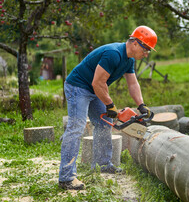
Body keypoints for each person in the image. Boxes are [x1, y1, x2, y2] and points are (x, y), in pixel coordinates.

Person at [58, 26, 157, 190]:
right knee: (77, 126)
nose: (146, 54)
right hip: (78, 86)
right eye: (146, 49)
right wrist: (110, 105)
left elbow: (132, 84)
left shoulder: (129, 60)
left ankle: (103, 164)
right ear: (135, 43)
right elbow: (97, 83)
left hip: (94, 88)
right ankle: (66, 177)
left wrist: (141, 105)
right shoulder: (114, 54)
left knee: (104, 123)